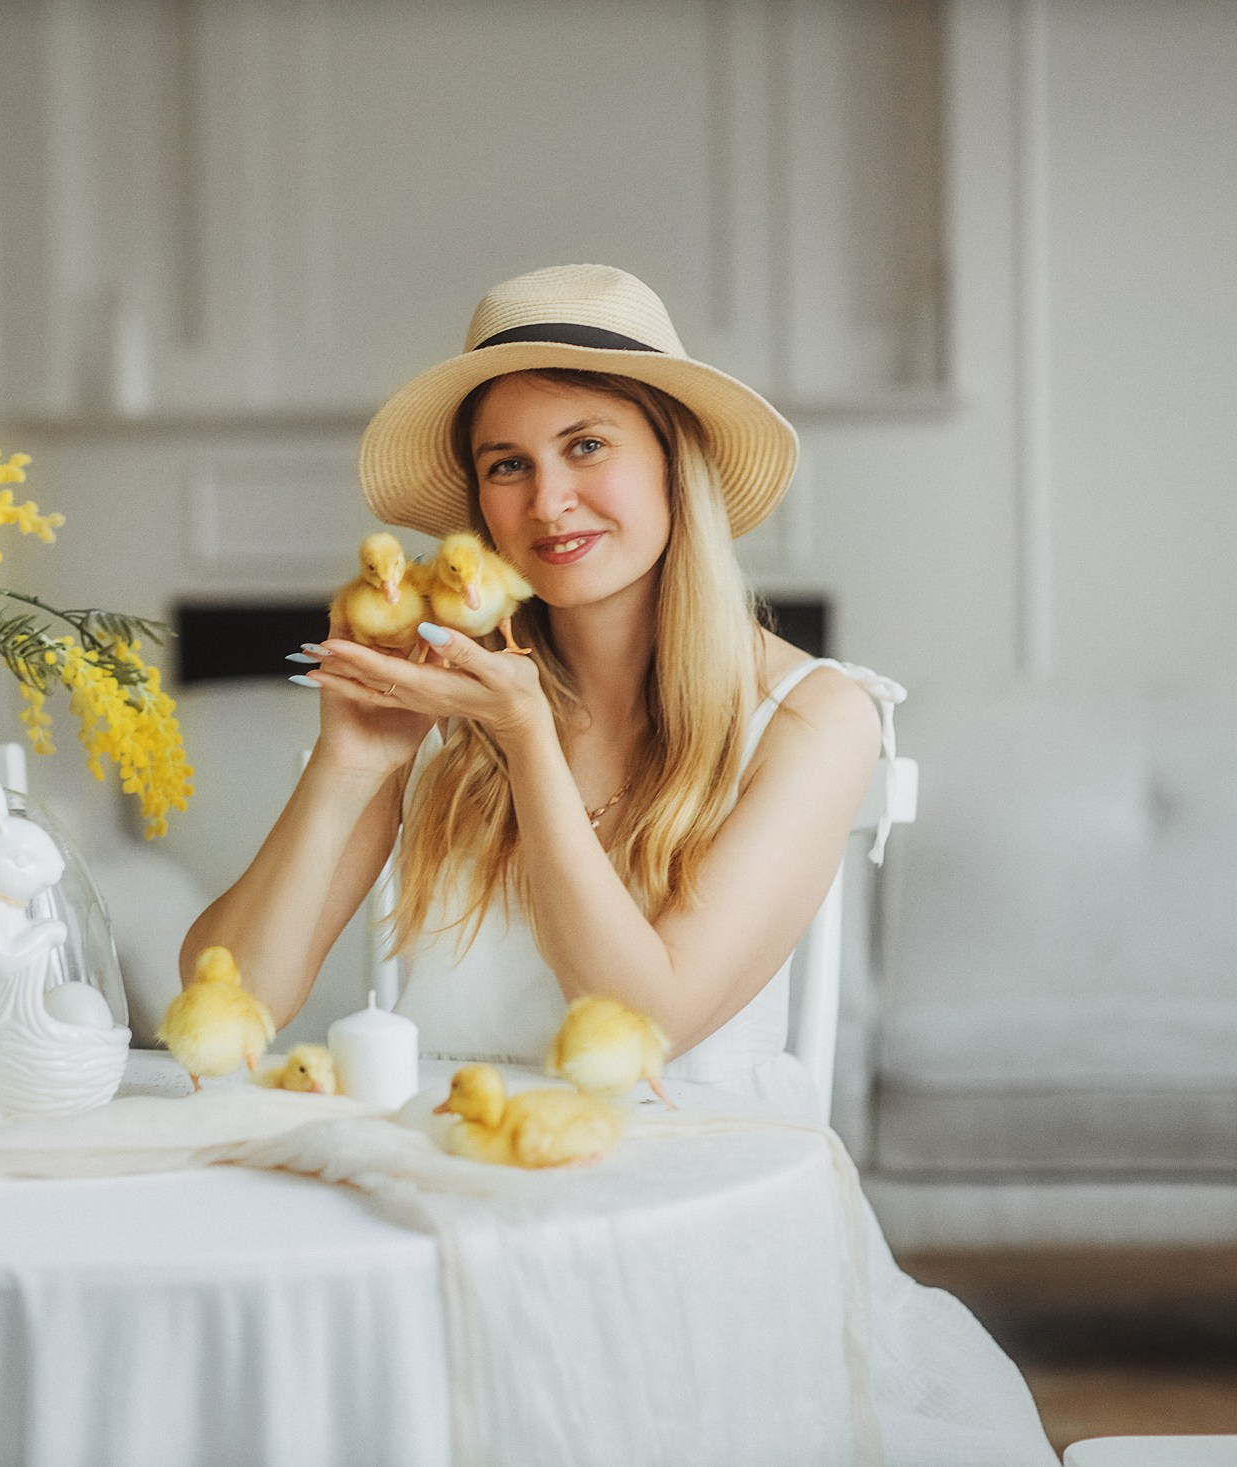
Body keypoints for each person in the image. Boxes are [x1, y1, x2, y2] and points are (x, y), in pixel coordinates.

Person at [182, 264, 1056, 1463]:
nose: (551, 499)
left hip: (684, 1227)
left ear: (671, 463)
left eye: (586, 445)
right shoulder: (447, 703)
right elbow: (227, 1010)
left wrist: (526, 739)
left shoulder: (813, 716)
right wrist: (344, 766)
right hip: (443, 1208)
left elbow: (644, 1015)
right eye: (508, 464)